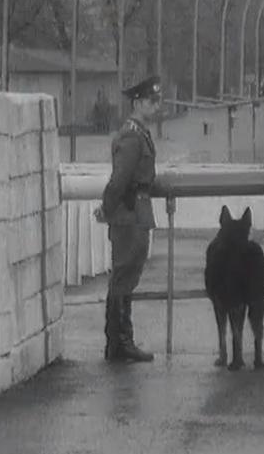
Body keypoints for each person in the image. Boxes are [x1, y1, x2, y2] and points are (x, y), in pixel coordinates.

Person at [94, 76, 163, 362]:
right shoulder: (132, 136)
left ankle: (121, 340)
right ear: (137, 102)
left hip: (135, 211)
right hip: (129, 213)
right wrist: (107, 209)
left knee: (128, 275)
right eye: (151, 101)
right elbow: (120, 180)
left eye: (157, 101)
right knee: (123, 276)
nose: (156, 106)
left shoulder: (138, 133)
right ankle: (120, 342)